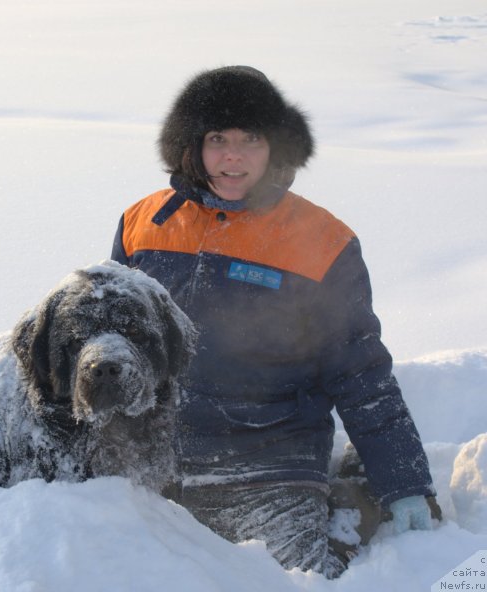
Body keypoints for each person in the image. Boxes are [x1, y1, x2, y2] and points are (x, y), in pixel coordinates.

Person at [110, 66, 436, 578]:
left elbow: (359, 369)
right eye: (218, 139)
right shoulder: (143, 223)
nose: (233, 157)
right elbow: (112, 339)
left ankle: (351, 500)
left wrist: (404, 482)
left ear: (276, 147)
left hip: (272, 457)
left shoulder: (323, 241)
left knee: (295, 581)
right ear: (191, 146)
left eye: (251, 139)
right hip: (156, 457)